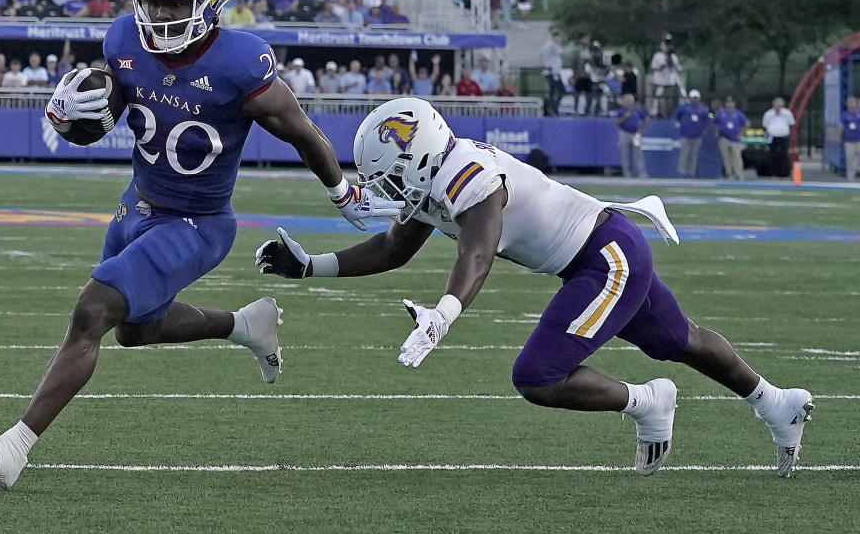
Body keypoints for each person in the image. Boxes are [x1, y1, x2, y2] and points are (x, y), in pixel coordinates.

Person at [0, 0, 402, 492]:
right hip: (135, 206)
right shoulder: (122, 38)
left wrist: (341, 191)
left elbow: (299, 129)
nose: (160, 16)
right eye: (152, 3)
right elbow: (117, 104)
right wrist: (77, 112)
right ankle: (247, 326)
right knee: (134, 333)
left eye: (175, 4)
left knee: (93, 312)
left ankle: (14, 447)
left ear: (209, 2)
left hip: (198, 223)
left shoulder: (239, 63)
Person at [255, 97, 815, 479]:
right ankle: (777, 403)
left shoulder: (466, 172)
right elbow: (391, 249)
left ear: (419, 155)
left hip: (607, 257)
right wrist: (310, 267)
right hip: (601, 254)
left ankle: (648, 400)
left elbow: (479, 248)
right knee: (679, 340)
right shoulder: (437, 176)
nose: (391, 189)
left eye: (395, 175)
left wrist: (444, 315)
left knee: (538, 374)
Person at [672, 90, 711, 178]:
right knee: (684, 154)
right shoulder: (683, 108)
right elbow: (676, 117)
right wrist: (680, 127)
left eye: (696, 98)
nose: (695, 99)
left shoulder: (703, 109)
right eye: (693, 98)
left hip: (697, 136)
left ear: (699, 98)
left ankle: (691, 173)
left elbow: (709, 119)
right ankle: (682, 173)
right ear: (690, 98)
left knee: (694, 155)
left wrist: (704, 132)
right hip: (685, 136)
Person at [614, 93, 649, 178]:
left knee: (638, 154)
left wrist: (640, 130)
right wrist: (625, 117)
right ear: (624, 101)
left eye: (631, 100)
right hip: (624, 133)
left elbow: (646, 119)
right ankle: (627, 174)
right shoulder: (621, 110)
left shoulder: (637, 110)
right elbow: (616, 122)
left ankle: (642, 174)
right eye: (627, 100)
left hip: (635, 134)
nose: (629, 102)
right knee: (625, 155)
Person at [714, 96, 748, 180]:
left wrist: (741, 133)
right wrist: (717, 131)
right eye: (728, 103)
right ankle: (729, 173)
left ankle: (738, 174)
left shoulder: (738, 113)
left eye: (731, 102)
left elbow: (747, 123)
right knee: (726, 157)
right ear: (725, 104)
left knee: (736, 157)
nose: (730, 104)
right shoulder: (720, 113)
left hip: (735, 139)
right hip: (724, 138)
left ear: (734, 104)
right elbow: (715, 122)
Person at [649, 35, 683, 117]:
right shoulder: (658, 55)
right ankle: (656, 113)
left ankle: (670, 114)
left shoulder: (673, 56)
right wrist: (663, 65)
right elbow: (654, 67)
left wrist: (672, 63)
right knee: (657, 98)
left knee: (670, 99)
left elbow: (679, 68)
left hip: (670, 81)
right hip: (659, 81)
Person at [762, 97, 795, 178]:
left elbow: (792, 123)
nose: (778, 106)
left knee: (784, 155)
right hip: (772, 137)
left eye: (780, 104)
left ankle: (784, 173)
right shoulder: (768, 114)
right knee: (772, 155)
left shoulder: (787, 113)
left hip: (783, 137)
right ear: (773, 104)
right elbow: (765, 125)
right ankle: (772, 172)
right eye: (777, 104)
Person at [541, 30, 564, 115]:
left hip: (552, 72)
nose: (560, 39)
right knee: (559, 90)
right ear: (554, 37)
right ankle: (552, 107)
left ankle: (551, 108)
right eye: (558, 37)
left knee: (553, 91)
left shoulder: (549, 45)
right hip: (552, 73)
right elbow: (561, 54)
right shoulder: (553, 45)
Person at [840, 96, 860, 181]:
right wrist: (840, 138)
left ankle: (857, 170)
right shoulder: (844, 115)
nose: (851, 104)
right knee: (850, 159)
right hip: (849, 141)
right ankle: (850, 177)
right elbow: (841, 127)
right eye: (849, 102)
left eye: (852, 102)